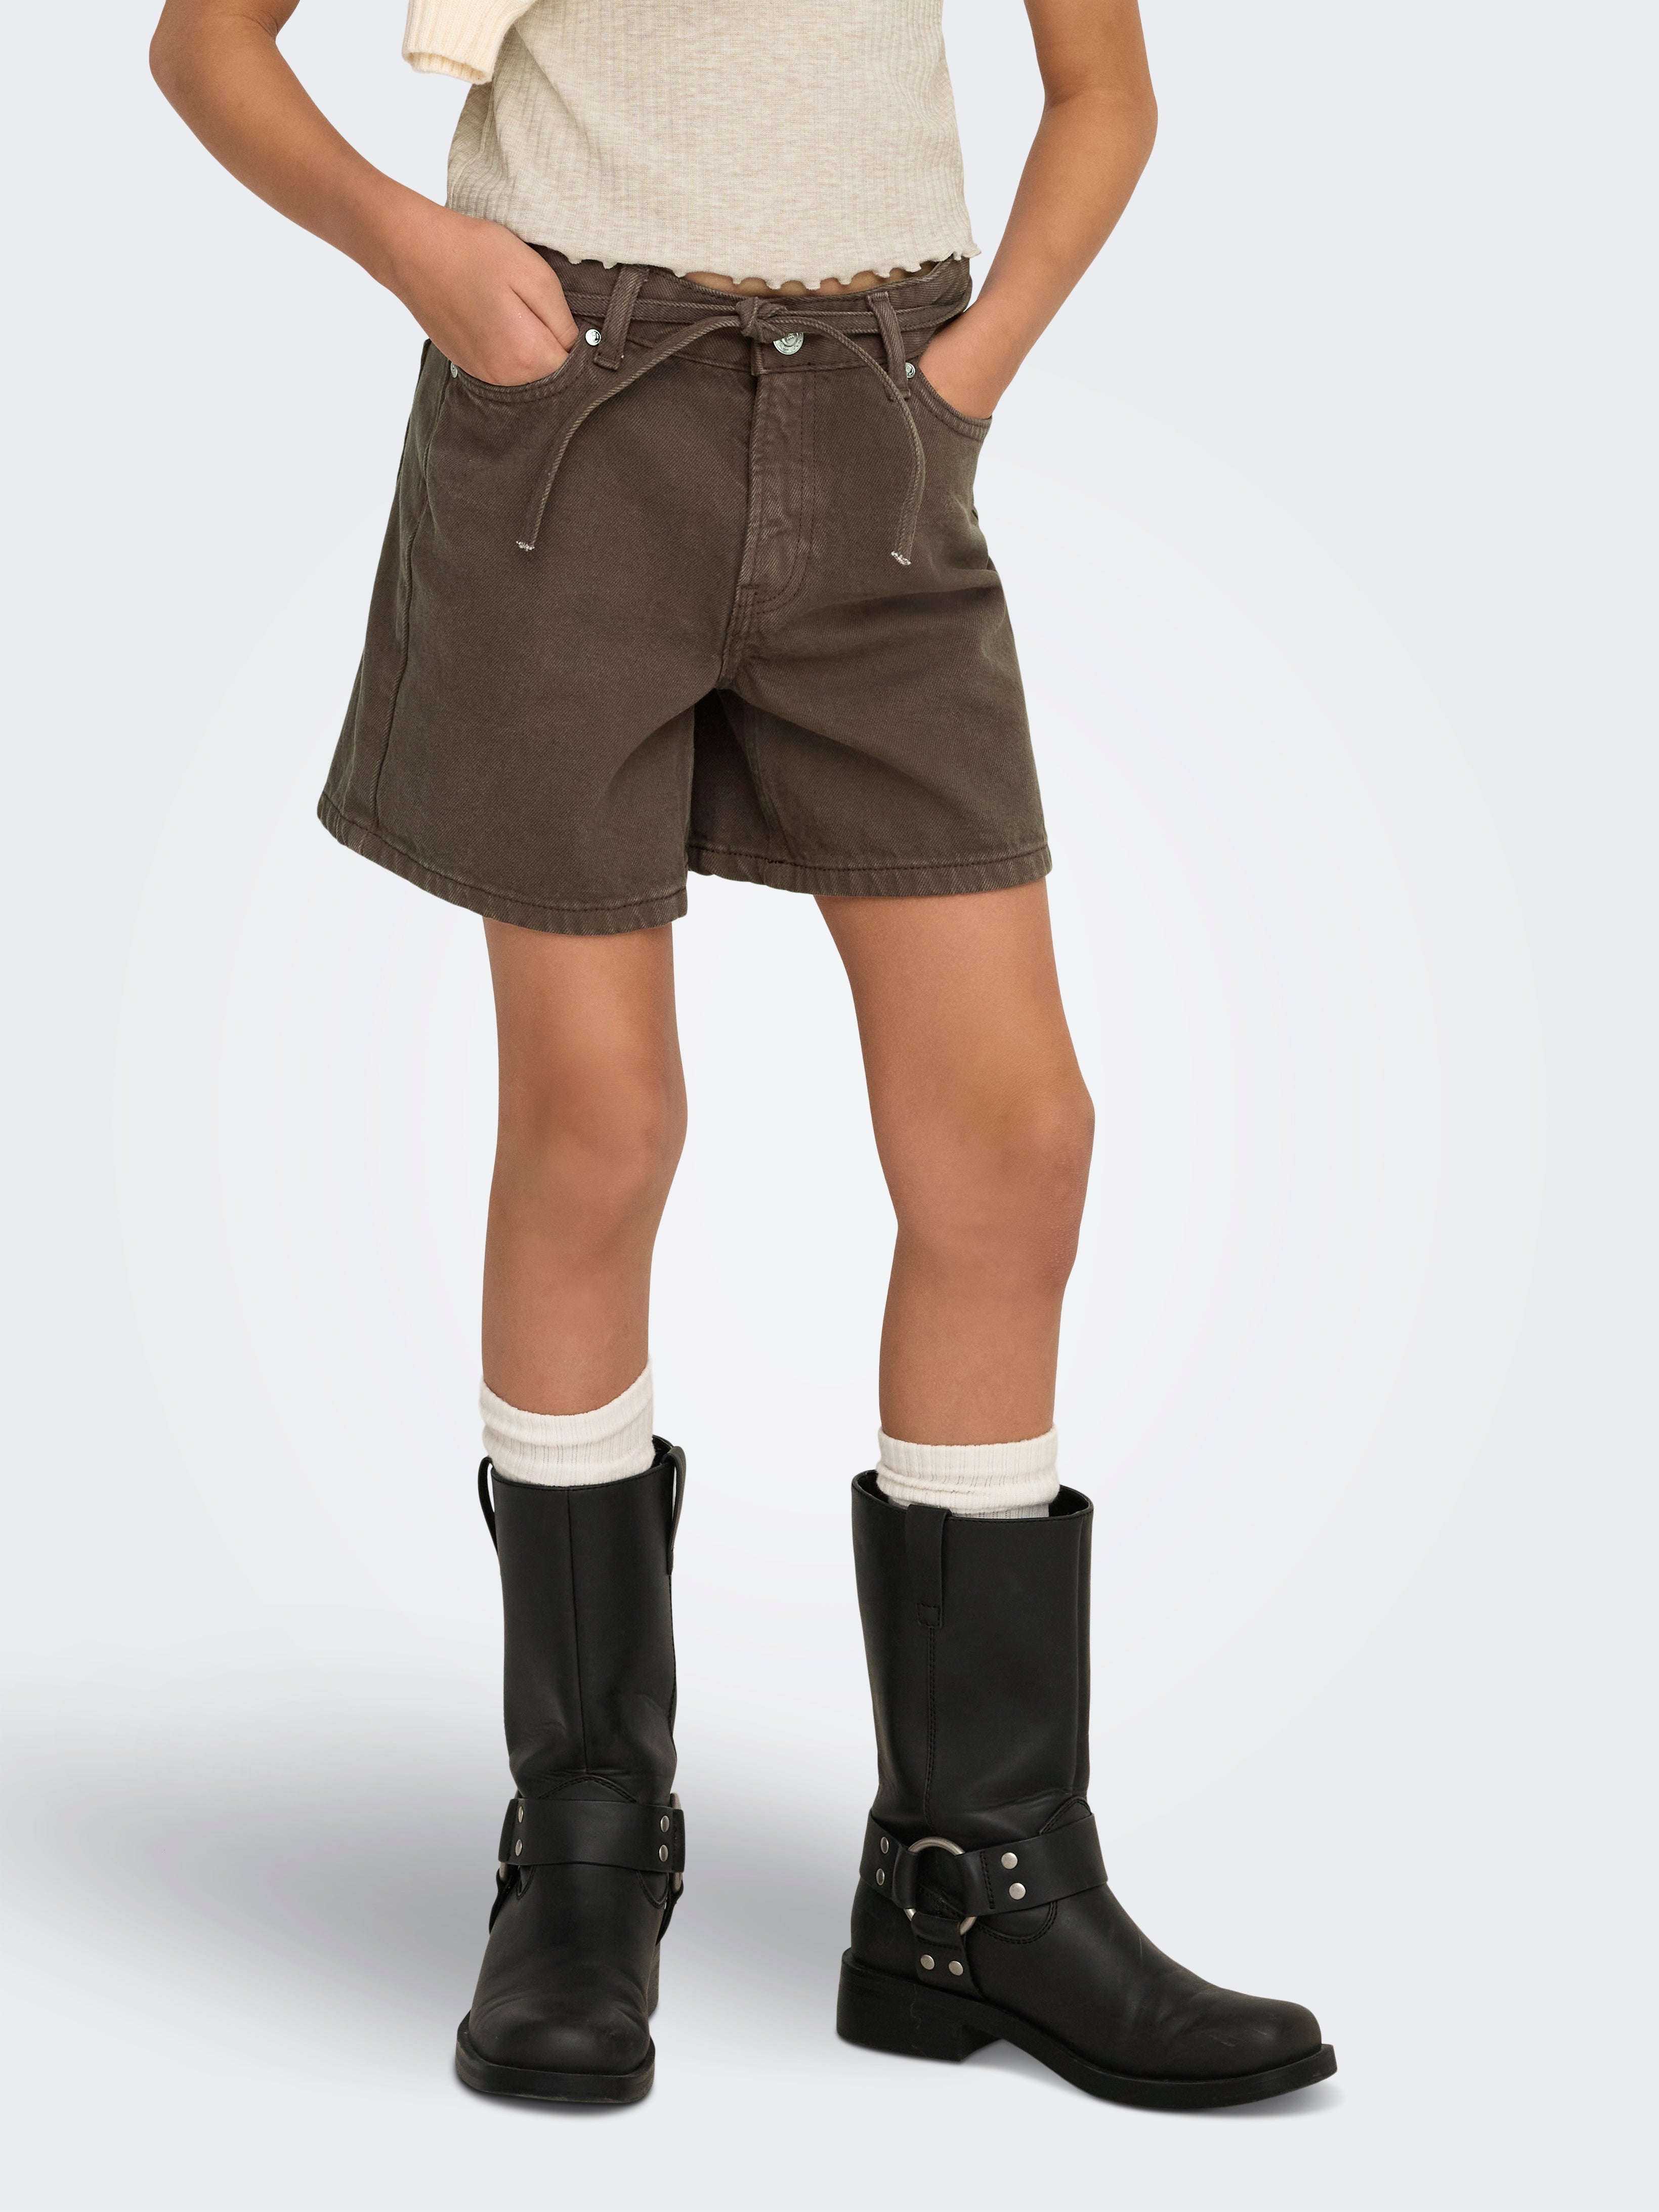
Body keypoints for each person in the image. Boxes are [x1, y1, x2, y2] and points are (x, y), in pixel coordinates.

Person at [150, 0, 1335, 2110]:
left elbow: (1105, 90)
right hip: (572, 418)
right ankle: (585, 1837)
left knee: (1015, 1137)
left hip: (883, 423)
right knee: (598, 1122)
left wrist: (965, 374)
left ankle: (975, 1876)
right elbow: (204, 48)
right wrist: (418, 254)